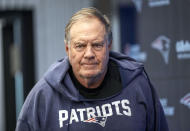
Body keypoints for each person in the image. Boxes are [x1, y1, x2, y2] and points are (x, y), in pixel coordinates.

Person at [16, 7, 169, 131]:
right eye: (80, 46)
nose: (89, 54)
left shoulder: (138, 85)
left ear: (108, 46)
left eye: (97, 45)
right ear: (68, 49)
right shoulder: (43, 97)